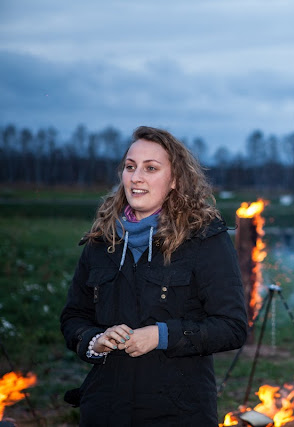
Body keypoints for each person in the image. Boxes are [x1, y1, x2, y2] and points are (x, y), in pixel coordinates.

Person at [60, 126, 248, 426]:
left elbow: (232, 326)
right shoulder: (102, 240)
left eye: (151, 168)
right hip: (106, 409)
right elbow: (73, 317)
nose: (136, 177)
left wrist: (161, 336)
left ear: (174, 180)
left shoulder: (203, 239)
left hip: (178, 412)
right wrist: (95, 340)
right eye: (130, 167)